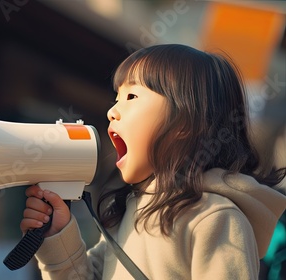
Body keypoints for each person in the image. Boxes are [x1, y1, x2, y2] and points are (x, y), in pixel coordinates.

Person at [20, 44, 286, 279]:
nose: (112, 111)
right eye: (116, 99)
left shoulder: (215, 218)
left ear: (185, 123)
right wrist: (59, 235)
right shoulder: (130, 211)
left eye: (131, 97)